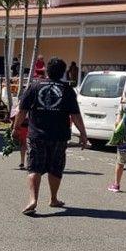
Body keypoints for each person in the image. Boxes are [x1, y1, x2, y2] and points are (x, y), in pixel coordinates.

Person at [14, 57, 88, 216]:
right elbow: (75, 115)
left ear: (47, 71)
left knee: (34, 167)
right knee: (56, 167)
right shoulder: (67, 89)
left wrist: (16, 128)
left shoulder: (34, 86)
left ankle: (33, 199)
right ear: (63, 73)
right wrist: (83, 134)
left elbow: (22, 110)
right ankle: (53, 198)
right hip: (59, 136)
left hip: (36, 134)